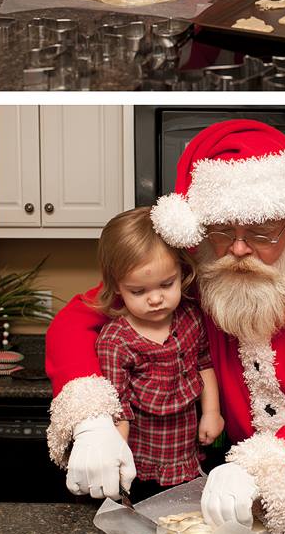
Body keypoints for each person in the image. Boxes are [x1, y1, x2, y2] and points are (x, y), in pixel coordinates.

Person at [47, 120, 285, 533]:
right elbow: (79, 318)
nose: (237, 247)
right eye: (220, 230)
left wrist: (269, 468)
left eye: (261, 230)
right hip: (248, 512)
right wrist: (92, 418)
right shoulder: (200, 266)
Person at [91, 207, 223, 490]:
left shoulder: (190, 317)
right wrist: (116, 452)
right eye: (138, 291)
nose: (155, 299)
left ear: (181, 271)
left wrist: (212, 412)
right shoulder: (116, 341)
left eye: (166, 284)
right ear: (116, 286)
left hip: (186, 449)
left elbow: (204, 365)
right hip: (141, 460)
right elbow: (118, 405)